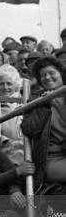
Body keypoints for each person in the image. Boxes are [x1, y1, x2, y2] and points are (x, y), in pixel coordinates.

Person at [21, 56, 66, 190]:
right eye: (43, 75)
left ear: (61, 74)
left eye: (51, 73)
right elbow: (29, 129)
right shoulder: (36, 100)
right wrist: (44, 105)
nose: (47, 77)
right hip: (52, 159)